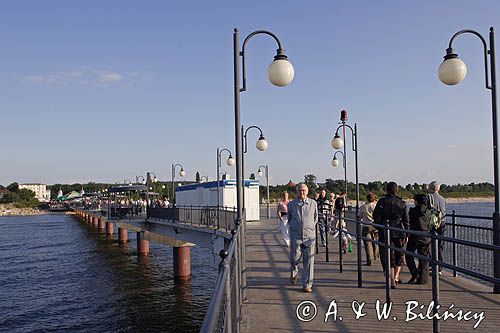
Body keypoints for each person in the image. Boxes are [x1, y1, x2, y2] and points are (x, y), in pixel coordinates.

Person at [373, 182, 409, 288]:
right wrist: (406, 233)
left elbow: (376, 216)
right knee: (399, 254)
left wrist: (379, 227)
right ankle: (396, 276)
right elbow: (406, 220)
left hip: (384, 230)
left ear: (387, 190)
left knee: (386, 255)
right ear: (396, 190)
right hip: (398, 231)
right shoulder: (401, 202)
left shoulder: (382, 201)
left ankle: (391, 278)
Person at [288, 183, 318, 293]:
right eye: (300, 191)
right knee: (294, 258)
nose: (302, 193)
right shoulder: (291, 204)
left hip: (309, 237)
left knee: (309, 261)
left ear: (307, 191)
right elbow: (289, 218)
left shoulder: (313, 203)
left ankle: (307, 284)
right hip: (296, 236)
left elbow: (315, 218)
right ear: (297, 192)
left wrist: (309, 228)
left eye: (304, 190)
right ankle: (294, 272)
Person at [406, 193, 431, 284]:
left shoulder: (412, 211)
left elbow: (409, 222)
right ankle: (423, 279)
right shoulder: (429, 211)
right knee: (424, 257)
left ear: (416, 201)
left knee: (408, 255)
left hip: (414, 236)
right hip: (426, 236)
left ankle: (415, 273)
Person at [427, 181, 446, 274]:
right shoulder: (442, 199)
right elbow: (444, 212)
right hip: (442, 222)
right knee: (440, 245)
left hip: (432, 223)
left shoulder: (429, 197)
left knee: (430, 244)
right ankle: (440, 267)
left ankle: (432, 264)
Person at [358, 192, 379, 266]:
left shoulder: (363, 206)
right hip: (375, 226)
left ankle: (370, 260)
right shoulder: (376, 205)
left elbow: (359, 216)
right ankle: (375, 256)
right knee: (375, 243)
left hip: (366, 226)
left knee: (368, 245)